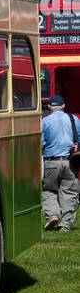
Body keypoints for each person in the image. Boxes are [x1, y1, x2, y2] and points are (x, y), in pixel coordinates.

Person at [41, 94, 80, 231]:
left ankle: (52, 215)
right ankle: (65, 225)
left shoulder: (44, 121)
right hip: (70, 162)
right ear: (63, 106)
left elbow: (41, 143)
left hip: (51, 162)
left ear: (50, 106)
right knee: (69, 193)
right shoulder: (74, 119)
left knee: (48, 191)